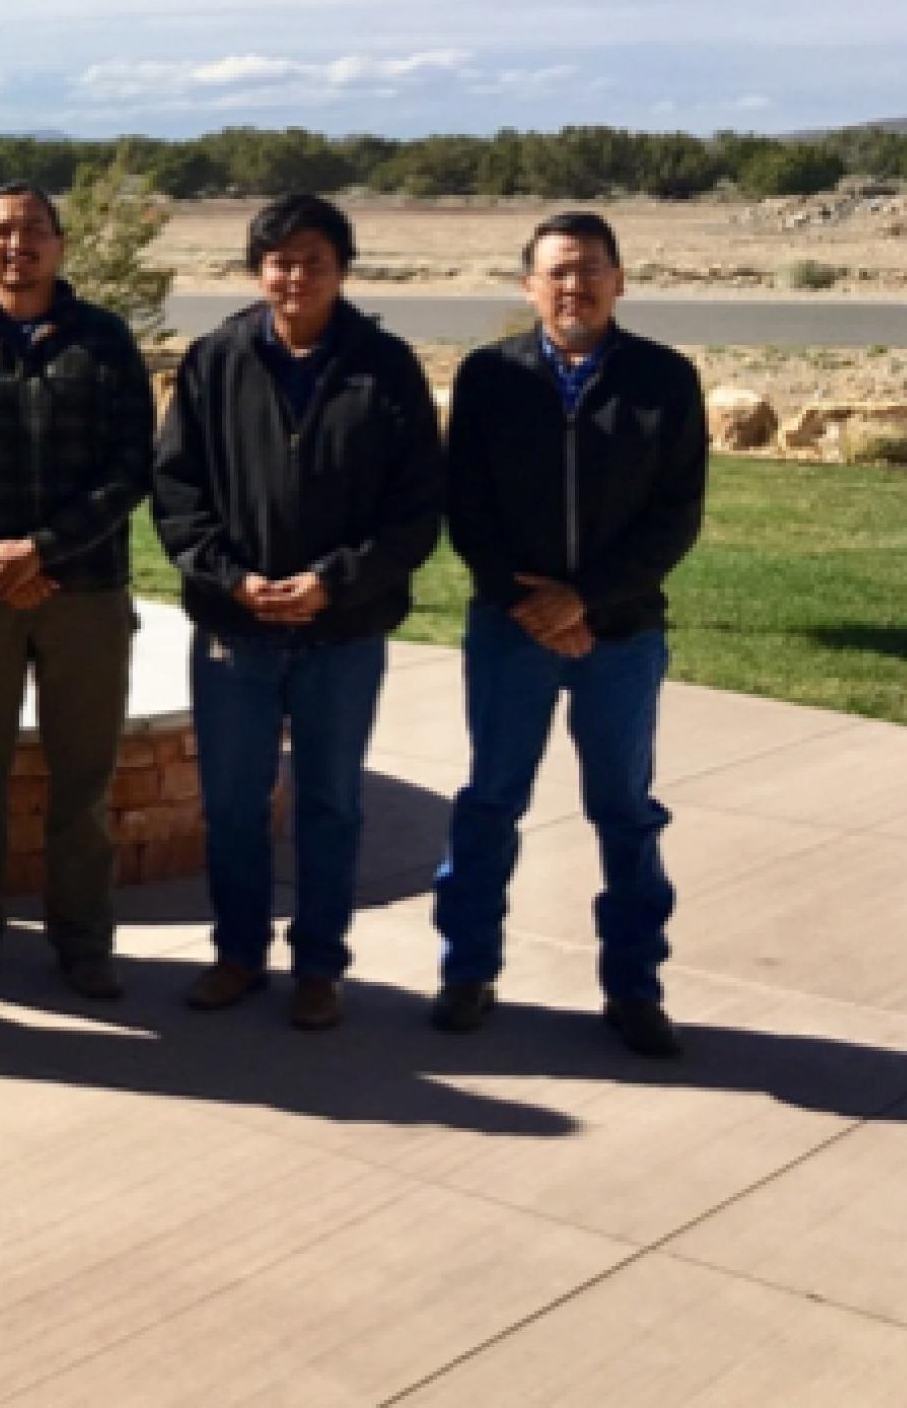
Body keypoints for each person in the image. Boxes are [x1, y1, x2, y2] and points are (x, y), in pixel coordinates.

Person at [152, 194, 444, 1031]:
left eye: (314, 258)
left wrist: (333, 581)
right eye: (279, 259)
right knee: (235, 805)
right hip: (233, 628)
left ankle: (319, 965)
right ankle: (238, 954)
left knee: (330, 804)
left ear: (342, 268)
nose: (296, 274)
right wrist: (230, 578)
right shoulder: (216, 359)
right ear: (257, 271)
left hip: (341, 633)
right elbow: (177, 491)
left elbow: (416, 507)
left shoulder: (384, 365)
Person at [432, 211, 709, 1058]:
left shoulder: (664, 379)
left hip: (620, 637)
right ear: (528, 287)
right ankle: (467, 970)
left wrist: (583, 601)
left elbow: (675, 517)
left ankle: (634, 988)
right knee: (490, 803)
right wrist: (533, 607)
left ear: (619, 280)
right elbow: (465, 503)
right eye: (555, 272)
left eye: (589, 269)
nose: (573, 285)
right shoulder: (490, 376)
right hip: (509, 630)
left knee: (625, 813)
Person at [0, 183, 155, 1001]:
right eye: (2, 232)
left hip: (83, 591)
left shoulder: (106, 342)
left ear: (61, 244)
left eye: (35, 231)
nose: (19, 245)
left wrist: (41, 551)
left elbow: (129, 470)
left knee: (83, 780)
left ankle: (83, 940)